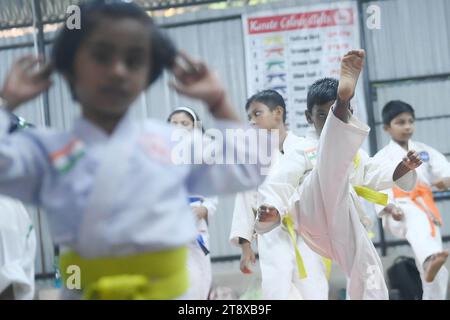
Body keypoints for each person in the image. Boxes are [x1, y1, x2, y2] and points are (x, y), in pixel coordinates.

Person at [0, 0, 267, 300]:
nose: (117, 70)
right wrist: (5, 103)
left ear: (148, 74)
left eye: (134, 59)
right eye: (101, 56)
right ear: (69, 65)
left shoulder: (172, 143)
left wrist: (220, 102)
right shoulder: (47, 152)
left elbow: (250, 170)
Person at [255, 50, 422, 299]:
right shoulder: (301, 148)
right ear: (308, 117)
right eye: (323, 114)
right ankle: (342, 101)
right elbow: (280, 182)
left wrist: (403, 168)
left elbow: (373, 173)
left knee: (369, 272)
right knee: (327, 167)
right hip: (311, 211)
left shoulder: (354, 154)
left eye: (336, 111)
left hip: (344, 221)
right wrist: (272, 209)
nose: (327, 119)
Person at [230, 90, 329, 299]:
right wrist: (246, 245)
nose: (252, 122)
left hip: (307, 231)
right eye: (249, 117)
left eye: (257, 114)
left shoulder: (307, 148)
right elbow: (246, 200)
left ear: (278, 112)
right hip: (271, 234)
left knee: (314, 289)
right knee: (277, 291)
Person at [374, 100, 449, 300]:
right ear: (387, 128)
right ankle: (428, 261)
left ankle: (429, 265)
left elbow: (445, 173)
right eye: (400, 122)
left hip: (425, 208)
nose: (407, 126)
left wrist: (444, 181)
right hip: (399, 207)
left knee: (440, 272)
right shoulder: (382, 157)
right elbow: (374, 186)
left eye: (410, 121)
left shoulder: (424, 151)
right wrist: (389, 207)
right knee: (416, 220)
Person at [168, 107, 218, 299]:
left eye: (185, 123)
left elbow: (213, 191)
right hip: (168, 223)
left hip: (196, 223)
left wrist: (205, 209)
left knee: (198, 276)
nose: (179, 127)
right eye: (174, 123)